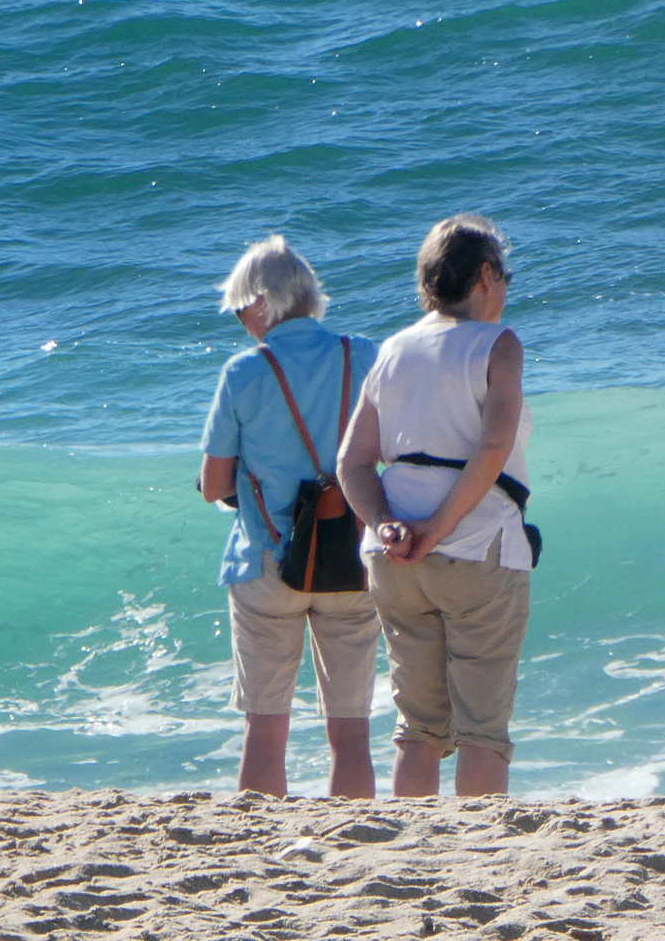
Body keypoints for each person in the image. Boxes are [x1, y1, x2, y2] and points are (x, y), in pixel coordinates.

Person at [339, 214, 532, 798]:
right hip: (478, 547)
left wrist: (390, 526)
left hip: (393, 560)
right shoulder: (498, 345)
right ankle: (482, 856)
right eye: (506, 275)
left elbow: (351, 462)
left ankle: (414, 848)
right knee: (482, 729)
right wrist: (437, 528)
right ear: (485, 276)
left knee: (418, 726)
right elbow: (494, 446)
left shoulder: (393, 349)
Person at [198, 236, 381, 798]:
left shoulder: (245, 372)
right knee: (351, 733)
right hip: (352, 559)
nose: (239, 321)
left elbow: (214, 486)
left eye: (238, 308)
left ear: (261, 302)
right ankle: (358, 845)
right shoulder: (366, 356)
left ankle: (260, 854)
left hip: (268, 559)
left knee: (265, 728)